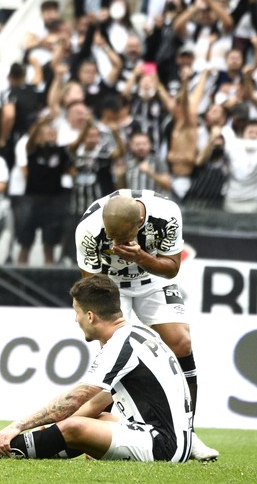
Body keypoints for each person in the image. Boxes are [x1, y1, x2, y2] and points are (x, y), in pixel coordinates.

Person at [0, 275, 193, 462]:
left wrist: (17, 426)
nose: (75, 318)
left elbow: (74, 399)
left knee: (75, 426)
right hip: (167, 436)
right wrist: (45, 430)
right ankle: (20, 449)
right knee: (85, 421)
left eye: (77, 312)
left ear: (91, 316)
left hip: (165, 446)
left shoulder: (121, 344)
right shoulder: (136, 335)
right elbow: (95, 403)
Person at [73, 190, 219, 461]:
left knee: (181, 342)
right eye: (111, 236)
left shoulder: (167, 214)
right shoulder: (88, 229)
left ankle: (188, 431)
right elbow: (92, 285)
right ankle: (109, 430)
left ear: (140, 222)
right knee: (115, 352)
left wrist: (140, 257)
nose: (116, 243)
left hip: (153, 278)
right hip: (111, 284)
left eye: (123, 237)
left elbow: (171, 268)